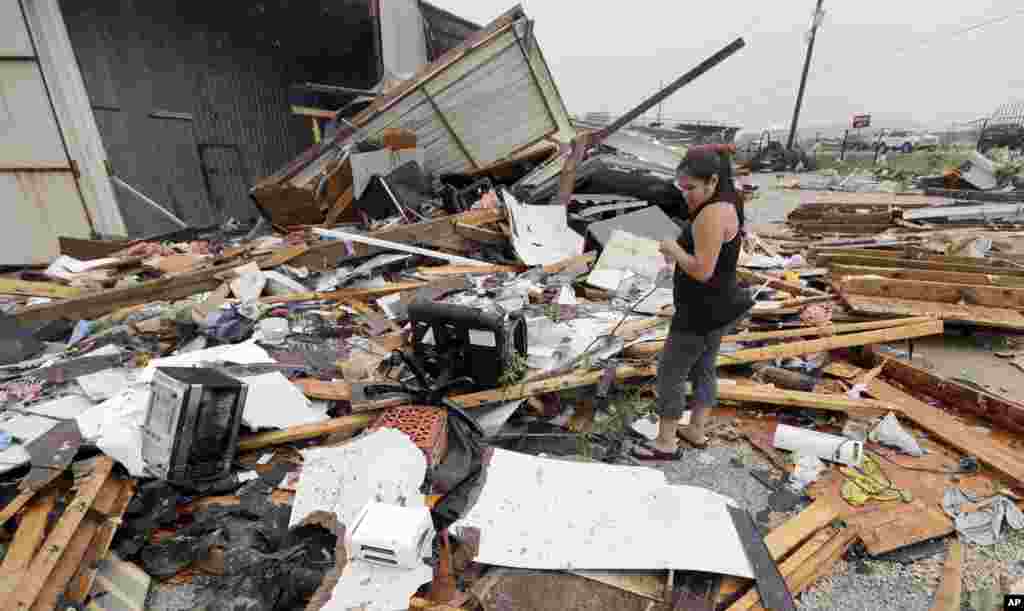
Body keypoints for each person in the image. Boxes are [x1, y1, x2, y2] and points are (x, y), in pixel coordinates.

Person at [633, 146, 754, 460]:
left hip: (700, 310)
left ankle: (665, 442)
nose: (686, 195)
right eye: (681, 188)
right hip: (721, 304)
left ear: (713, 181)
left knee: (671, 372)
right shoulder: (730, 201)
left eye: (691, 188)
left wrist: (673, 249)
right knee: (704, 368)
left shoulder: (711, 214)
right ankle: (696, 430)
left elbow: (701, 270)